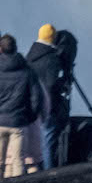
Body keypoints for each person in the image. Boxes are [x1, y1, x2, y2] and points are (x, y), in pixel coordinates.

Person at [0, 36, 47, 180]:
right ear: (16, 48)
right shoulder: (27, 72)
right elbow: (37, 98)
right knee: (18, 161)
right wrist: (29, 118)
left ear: (0, 50)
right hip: (19, 122)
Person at [24, 26, 72, 171]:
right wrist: (63, 83)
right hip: (47, 105)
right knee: (48, 139)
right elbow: (51, 85)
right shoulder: (52, 59)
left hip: (30, 104)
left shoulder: (30, 55)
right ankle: (48, 172)